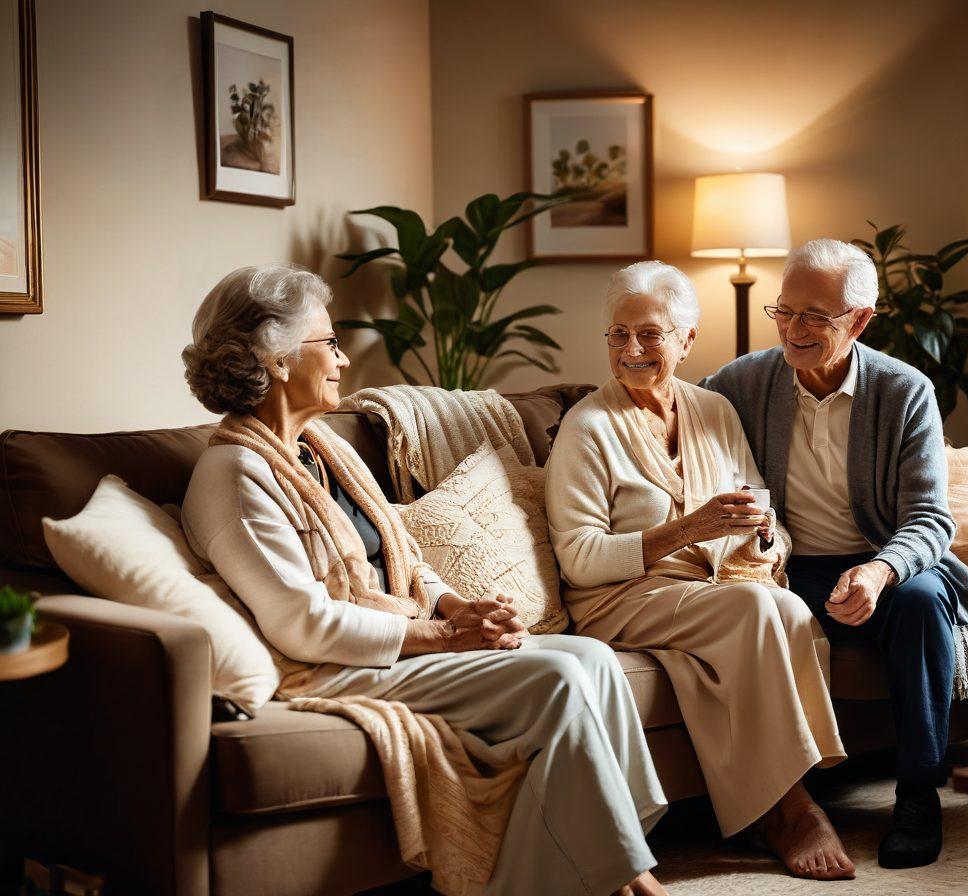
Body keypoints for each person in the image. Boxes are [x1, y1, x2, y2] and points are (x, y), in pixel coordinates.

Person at [179, 264, 669, 896]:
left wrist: (458, 607)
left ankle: (576, 875)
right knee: (557, 676)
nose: (343, 361)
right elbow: (302, 625)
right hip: (332, 665)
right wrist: (443, 637)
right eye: (328, 344)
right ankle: (633, 879)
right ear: (276, 360)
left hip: (397, 636)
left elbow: (405, 554)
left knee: (594, 660)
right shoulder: (233, 477)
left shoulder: (323, 447)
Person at [700, 238, 968, 870]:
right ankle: (781, 802)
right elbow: (673, 420)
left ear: (859, 320)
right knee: (740, 609)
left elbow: (931, 519)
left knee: (925, 601)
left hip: (882, 556)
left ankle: (918, 793)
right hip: (787, 568)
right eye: (784, 312)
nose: (794, 331)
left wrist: (880, 571)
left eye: (815, 317)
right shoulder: (741, 383)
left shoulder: (904, 391)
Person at [546, 261, 853, 882]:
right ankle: (790, 809)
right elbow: (577, 557)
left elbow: (761, 509)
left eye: (651, 335)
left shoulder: (715, 410)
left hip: (710, 587)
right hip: (621, 598)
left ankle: (783, 796)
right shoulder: (587, 427)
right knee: (758, 608)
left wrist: (767, 541)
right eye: (618, 334)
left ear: (687, 340)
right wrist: (689, 530)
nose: (632, 350)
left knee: (787, 603)